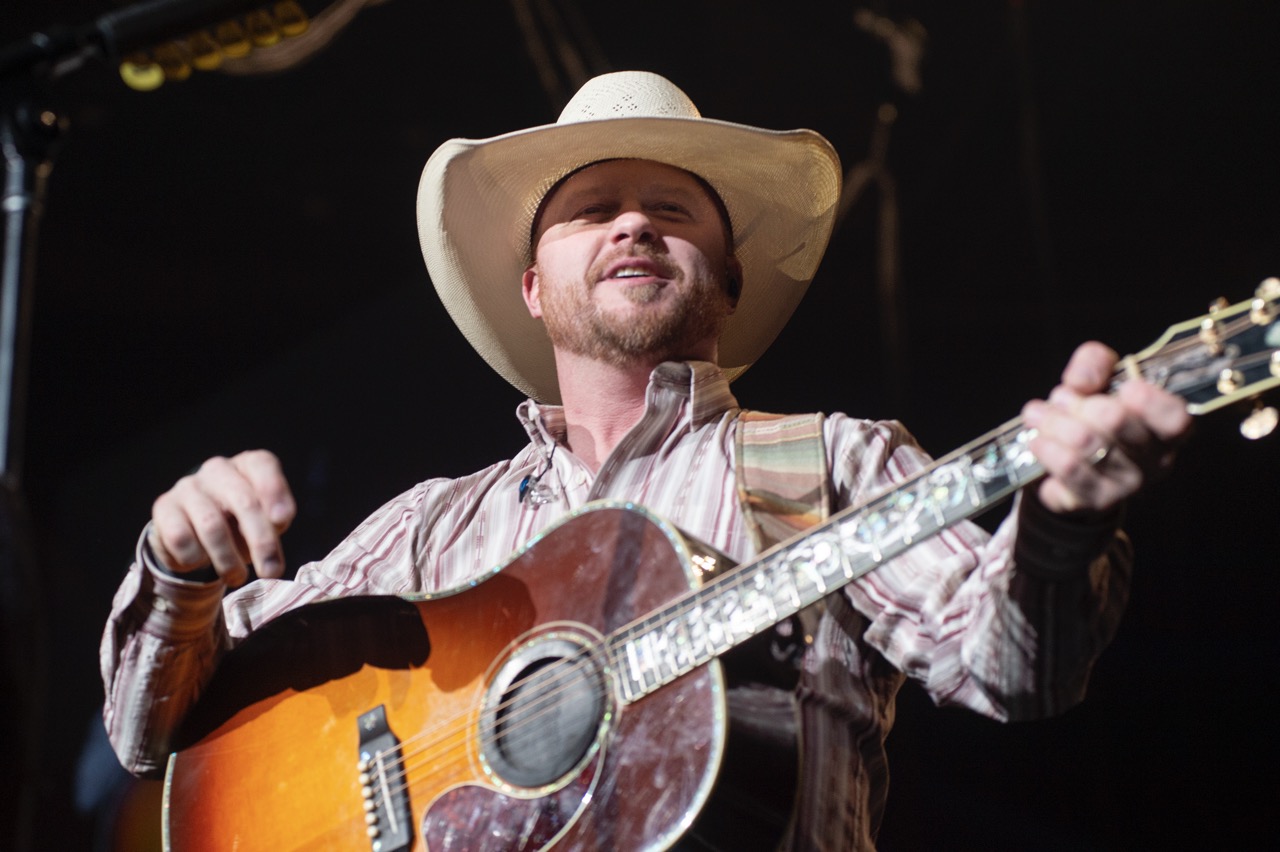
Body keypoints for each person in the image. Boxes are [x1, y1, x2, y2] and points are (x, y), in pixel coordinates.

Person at [100, 71, 1191, 850]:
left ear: (725, 280)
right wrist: (178, 570)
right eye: (592, 210)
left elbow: (1013, 671)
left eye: (670, 210)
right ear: (535, 288)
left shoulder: (827, 463)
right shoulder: (431, 527)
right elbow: (154, 734)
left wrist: (1063, 522)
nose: (632, 224)